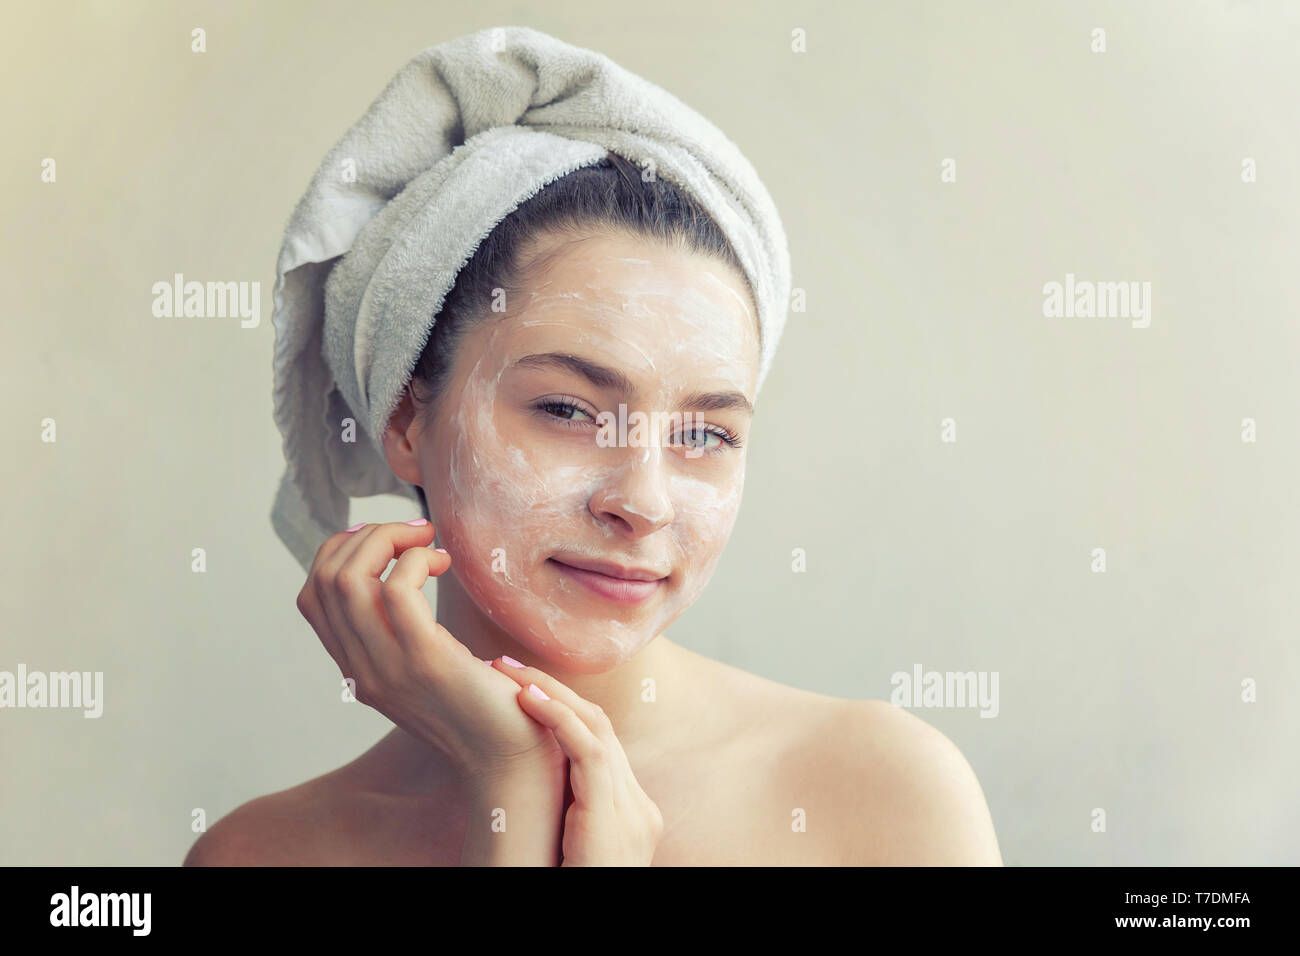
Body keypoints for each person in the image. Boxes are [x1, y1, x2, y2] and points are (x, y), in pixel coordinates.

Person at [184, 151, 1003, 866]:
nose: (643, 502)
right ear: (405, 421)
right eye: (569, 411)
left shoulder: (881, 792)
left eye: (705, 433)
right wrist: (511, 787)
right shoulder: (266, 854)